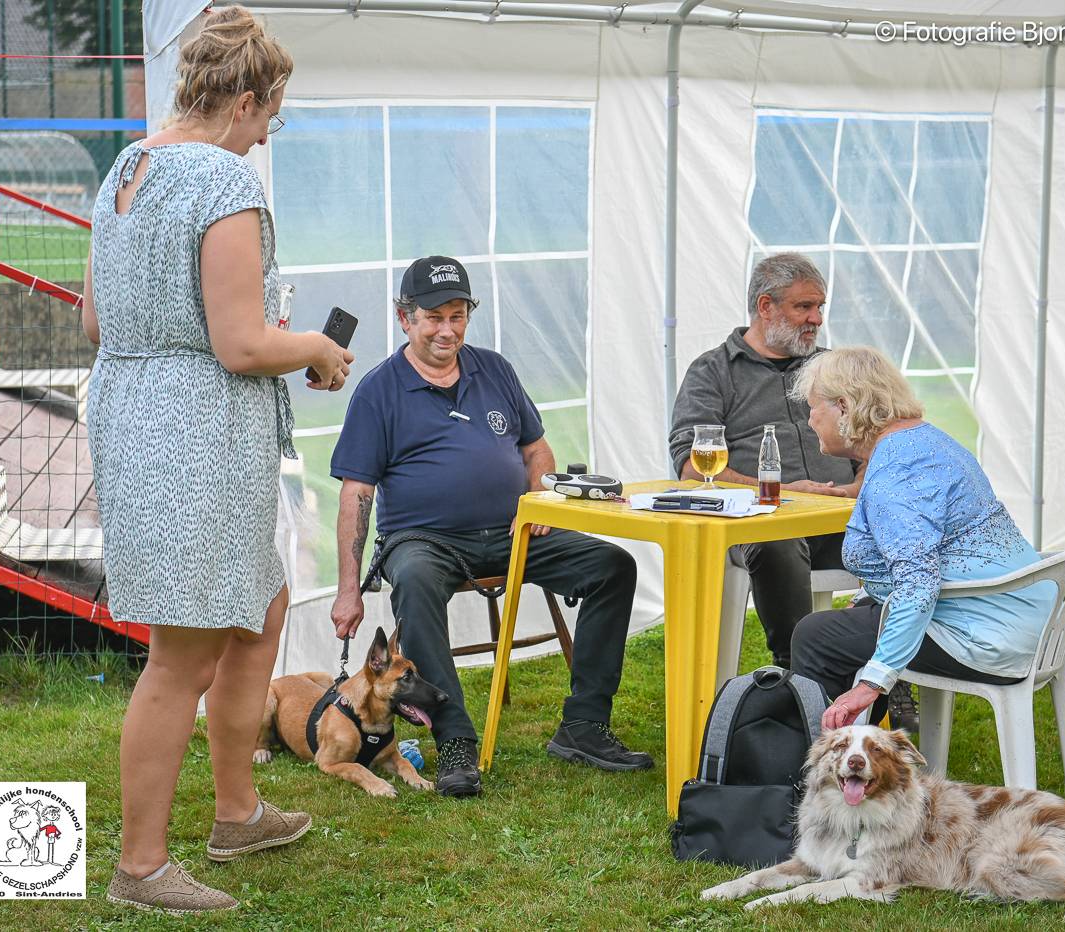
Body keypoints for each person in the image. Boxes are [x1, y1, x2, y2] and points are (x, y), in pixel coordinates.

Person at [84, 7, 353, 913]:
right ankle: (142, 868)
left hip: (134, 414)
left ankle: (236, 812)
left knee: (260, 609)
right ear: (244, 100)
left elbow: (95, 323)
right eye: (272, 116)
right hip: (197, 433)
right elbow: (240, 345)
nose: (269, 133)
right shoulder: (225, 185)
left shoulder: (124, 167)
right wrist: (313, 344)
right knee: (180, 656)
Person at [329, 255, 652, 799]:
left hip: (514, 532)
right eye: (433, 317)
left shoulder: (494, 369)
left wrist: (540, 500)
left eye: (457, 316)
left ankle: (584, 725)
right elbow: (356, 493)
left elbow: (536, 449)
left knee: (612, 566)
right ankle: (455, 741)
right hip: (424, 540)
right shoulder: (378, 390)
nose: (446, 330)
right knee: (413, 578)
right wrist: (346, 590)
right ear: (403, 317)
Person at [786, 347, 1055, 729]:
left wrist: (873, 682)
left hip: (986, 637)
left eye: (814, 407)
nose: (810, 420)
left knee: (815, 635)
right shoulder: (928, 441)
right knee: (858, 622)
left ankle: (819, 772)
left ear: (844, 407)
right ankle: (864, 757)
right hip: (1023, 619)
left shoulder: (895, 473)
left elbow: (918, 583)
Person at [668, 253, 864, 670]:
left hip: (844, 520)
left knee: (908, 529)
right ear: (765, 306)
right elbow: (691, 466)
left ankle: (891, 671)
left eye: (820, 307)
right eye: (803, 307)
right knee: (777, 539)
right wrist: (781, 493)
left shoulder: (833, 368)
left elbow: (878, 438)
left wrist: (859, 486)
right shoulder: (713, 372)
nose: (816, 319)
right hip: (762, 524)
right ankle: (799, 672)